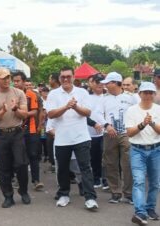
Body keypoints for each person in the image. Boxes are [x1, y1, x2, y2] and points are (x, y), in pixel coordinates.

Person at [46, 66, 98, 210]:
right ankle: (64, 194)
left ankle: (90, 198)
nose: (66, 79)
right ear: (60, 79)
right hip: (62, 138)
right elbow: (50, 114)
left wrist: (75, 107)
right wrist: (66, 107)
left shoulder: (82, 92)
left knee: (85, 168)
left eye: (68, 76)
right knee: (62, 169)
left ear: (73, 77)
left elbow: (87, 112)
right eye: (63, 77)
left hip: (81, 137)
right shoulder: (53, 94)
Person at [0, 68, 30, 208]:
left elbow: (25, 115)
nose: (7, 80)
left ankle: (23, 191)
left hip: (17, 132)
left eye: (8, 77)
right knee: (4, 166)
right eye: (3, 78)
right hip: (0, 134)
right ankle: (8, 196)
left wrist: (16, 109)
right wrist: (3, 111)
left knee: (21, 164)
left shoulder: (19, 93)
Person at [98, 72, 137, 204]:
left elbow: (138, 112)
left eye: (108, 83)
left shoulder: (131, 98)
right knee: (110, 163)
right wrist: (106, 125)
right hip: (109, 134)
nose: (106, 85)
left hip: (127, 133)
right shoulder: (104, 98)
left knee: (128, 163)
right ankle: (115, 192)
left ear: (115, 83)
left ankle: (128, 193)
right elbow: (97, 114)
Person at [125, 82, 160, 225]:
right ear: (139, 94)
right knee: (139, 181)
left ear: (154, 95)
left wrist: (151, 123)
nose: (148, 95)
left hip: (156, 149)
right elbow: (129, 133)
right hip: (137, 150)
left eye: (150, 93)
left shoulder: (158, 109)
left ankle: (150, 208)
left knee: (155, 182)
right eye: (145, 92)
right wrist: (142, 124)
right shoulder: (131, 110)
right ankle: (140, 212)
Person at [12, 71, 44, 191]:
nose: (15, 83)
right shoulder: (10, 94)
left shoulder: (32, 95)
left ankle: (36, 180)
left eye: (18, 81)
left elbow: (35, 112)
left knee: (33, 155)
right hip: (15, 130)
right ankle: (20, 181)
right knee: (19, 157)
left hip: (30, 130)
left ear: (24, 82)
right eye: (14, 81)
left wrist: (21, 113)